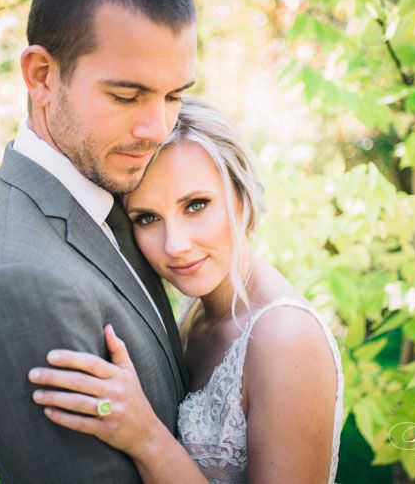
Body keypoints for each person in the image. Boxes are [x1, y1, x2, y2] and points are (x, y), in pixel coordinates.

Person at [0, 0, 197, 482]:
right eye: (127, 95)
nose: (157, 127)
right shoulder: (15, 286)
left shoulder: (109, 191)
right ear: (42, 76)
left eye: (173, 96)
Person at [28, 97, 344, 483]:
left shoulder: (286, 338)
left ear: (241, 196)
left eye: (196, 205)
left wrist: (145, 437)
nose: (174, 245)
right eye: (147, 218)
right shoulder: (195, 313)